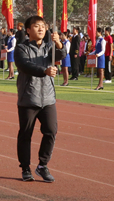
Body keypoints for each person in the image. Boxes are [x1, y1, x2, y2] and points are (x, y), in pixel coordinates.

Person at [14, 15, 65, 183]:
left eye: (43, 26)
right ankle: (25, 168)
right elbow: (25, 65)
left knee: (51, 131)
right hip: (29, 98)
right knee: (25, 134)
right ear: (28, 30)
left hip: (48, 98)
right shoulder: (21, 48)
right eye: (36, 26)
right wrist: (44, 70)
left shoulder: (49, 47)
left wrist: (58, 44)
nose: (41, 28)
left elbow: (61, 55)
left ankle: (42, 165)